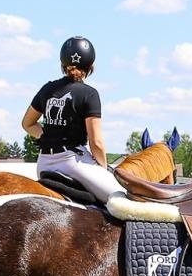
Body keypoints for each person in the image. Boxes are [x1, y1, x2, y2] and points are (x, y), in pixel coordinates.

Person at [22, 36, 124, 203]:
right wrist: (103, 169)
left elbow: (27, 123)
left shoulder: (47, 89)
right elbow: (96, 142)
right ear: (90, 66)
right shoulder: (89, 94)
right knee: (121, 199)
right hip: (72, 163)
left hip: (44, 165)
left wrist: (47, 138)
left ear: (63, 64)